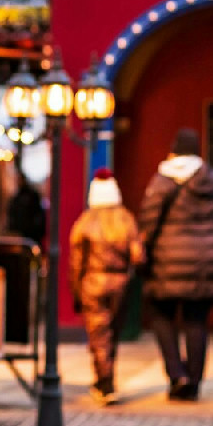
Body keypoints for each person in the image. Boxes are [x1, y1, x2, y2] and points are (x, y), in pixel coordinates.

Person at [138, 127, 213, 402]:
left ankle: (177, 375)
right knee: (196, 320)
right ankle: (195, 382)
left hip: (168, 259)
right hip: (207, 260)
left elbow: (149, 222)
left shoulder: (162, 181)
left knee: (162, 317)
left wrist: (144, 251)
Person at [68, 168, 143, 405]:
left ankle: (104, 382)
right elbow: (138, 256)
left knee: (99, 335)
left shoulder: (85, 221)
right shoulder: (127, 219)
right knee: (112, 334)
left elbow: (76, 262)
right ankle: (107, 378)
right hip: (120, 283)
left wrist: (76, 289)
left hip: (93, 282)